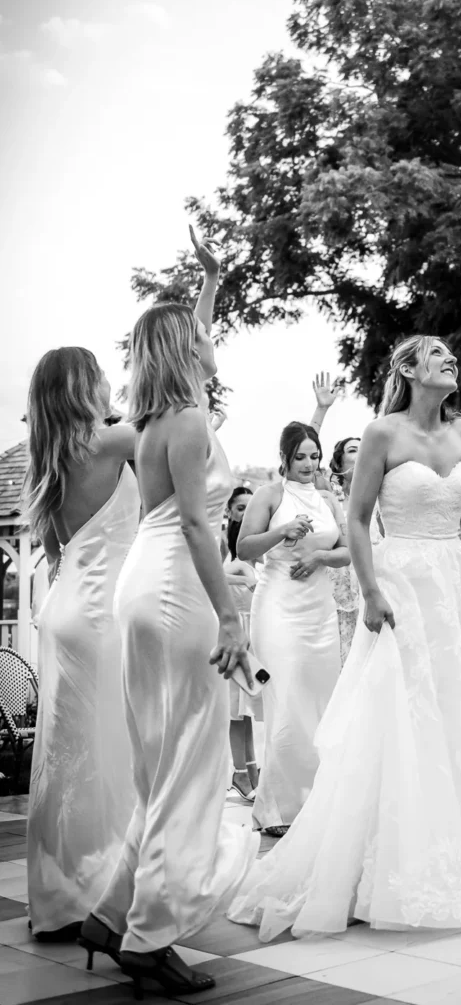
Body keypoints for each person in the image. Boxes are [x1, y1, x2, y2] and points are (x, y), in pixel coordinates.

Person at [228, 335, 461, 941]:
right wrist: (372, 591)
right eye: (435, 354)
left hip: (458, 586)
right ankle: (396, 862)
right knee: (405, 714)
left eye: (452, 354)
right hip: (401, 586)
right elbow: (354, 518)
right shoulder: (382, 434)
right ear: (407, 369)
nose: (450, 359)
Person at [79, 229, 255, 998]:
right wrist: (233, 617)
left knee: (160, 762)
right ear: (186, 354)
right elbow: (194, 524)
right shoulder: (188, 421)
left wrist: (210, 281)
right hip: (178, 586)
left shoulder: (153, 420)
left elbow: (205, 335)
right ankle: (148, 939)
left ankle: (112, 912)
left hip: (142, 585)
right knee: (191, 762)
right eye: (200, 339)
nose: (211, 346)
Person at [24, 349, 139, 942]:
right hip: (103, 613)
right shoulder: (115, 441)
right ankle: (103, 891)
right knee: (110, 746)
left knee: (66, 752)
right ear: (84, 385)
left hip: (64, 608)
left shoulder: (50, 459)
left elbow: (53, 552)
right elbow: (179, 435)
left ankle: (58, 897)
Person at [237, 422, 350, 838]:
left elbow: (348, 550)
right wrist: (282, 532)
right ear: (284, 458)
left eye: (314, 456)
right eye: (300, 456)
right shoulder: (270, 495)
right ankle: (277, 808)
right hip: (279, 607)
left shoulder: (325, 499)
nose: (308, 463)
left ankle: (316, 801)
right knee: (286, 701)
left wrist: (320, 556)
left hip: (319, 609)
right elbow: (244, 548)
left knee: (320, 703)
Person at [310, 373, 383, 663]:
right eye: (354, 449)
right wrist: (321, 409)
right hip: (335, 594)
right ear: (338, 464)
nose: (362, 450)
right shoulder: (328, 494)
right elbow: (305, 453)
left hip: (374, 587)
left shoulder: (383, 496)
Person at [223, 486, 261, 800]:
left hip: (255, 635)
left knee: (246, 710)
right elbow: (218, 577)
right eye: (240, 509)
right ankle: (238, 773)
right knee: (236, 710)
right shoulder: (234, 562)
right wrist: (243, 579)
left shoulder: (255, 560)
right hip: (238, 633)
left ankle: (251, 768)